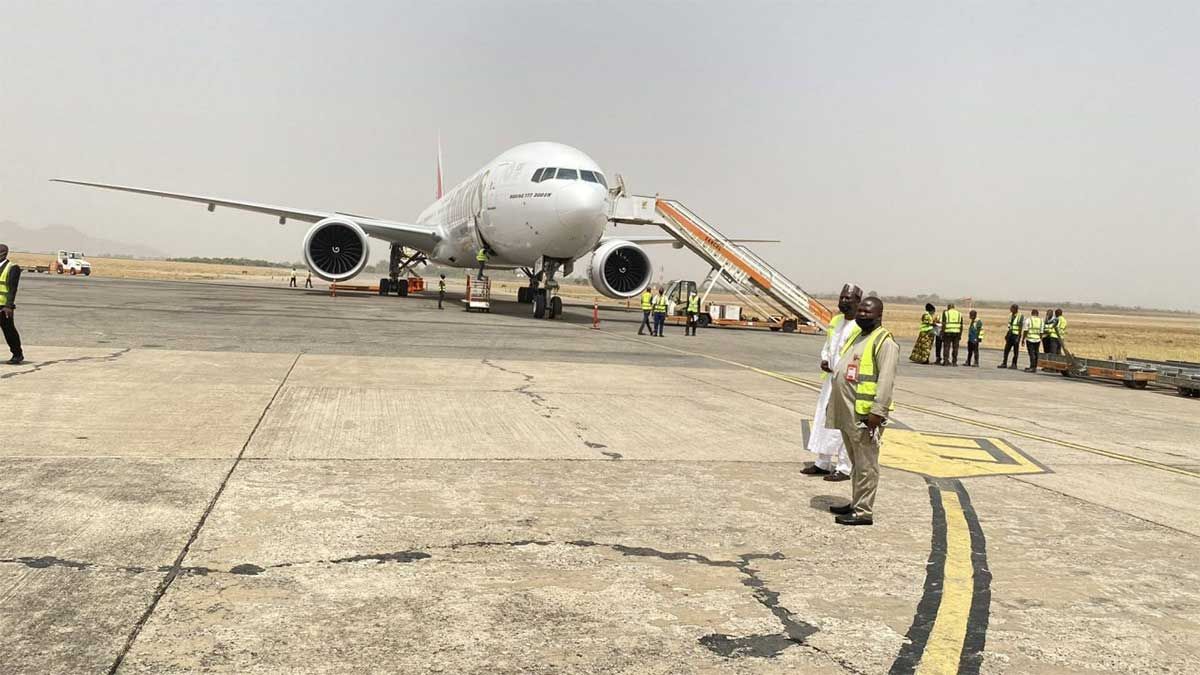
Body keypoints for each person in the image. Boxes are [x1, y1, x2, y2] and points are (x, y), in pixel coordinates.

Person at [826, 296, 898, 526]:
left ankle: (864, 511)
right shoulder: (859, 335)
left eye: (867, 312)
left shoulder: (884, 342)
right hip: (849, 411)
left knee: (866, 465)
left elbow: (886, 381)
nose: (862, 315)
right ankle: (857, 502)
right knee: (857, 463)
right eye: (860, 311)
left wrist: (877, 412)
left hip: (866, 416)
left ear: (879, 315)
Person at [803, 283, 862, 482]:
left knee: (844, 424)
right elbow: (828, 346)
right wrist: (825, 359)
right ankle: (823, 462)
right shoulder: (836, 321)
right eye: (842, 297)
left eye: (848, 298)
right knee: (824, 419)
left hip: (848, 382)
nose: (843, 301)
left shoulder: (861, 325)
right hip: (830, 380)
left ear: (858, 302)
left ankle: (844, 467)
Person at [0, 244, 25, 365]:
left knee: (9, 331)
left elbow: (12, 289)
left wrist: (9, 306)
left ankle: (17, 354)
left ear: (3, 254)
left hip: (4, 307)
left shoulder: (12, 268)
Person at [998, 304, 1024, 369]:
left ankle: (1014, 364)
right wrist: (1007, 334)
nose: (1010, 309)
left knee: (1015, 351)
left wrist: (1019, 337)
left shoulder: (1020, 316)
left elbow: (1020, 327)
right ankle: (1004, 363)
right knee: (1006, 350)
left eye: (1011, 308)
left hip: (1016, 335)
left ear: (1015, 309)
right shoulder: (1010, 315)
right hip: (1010, 334)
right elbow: (1010, 326)